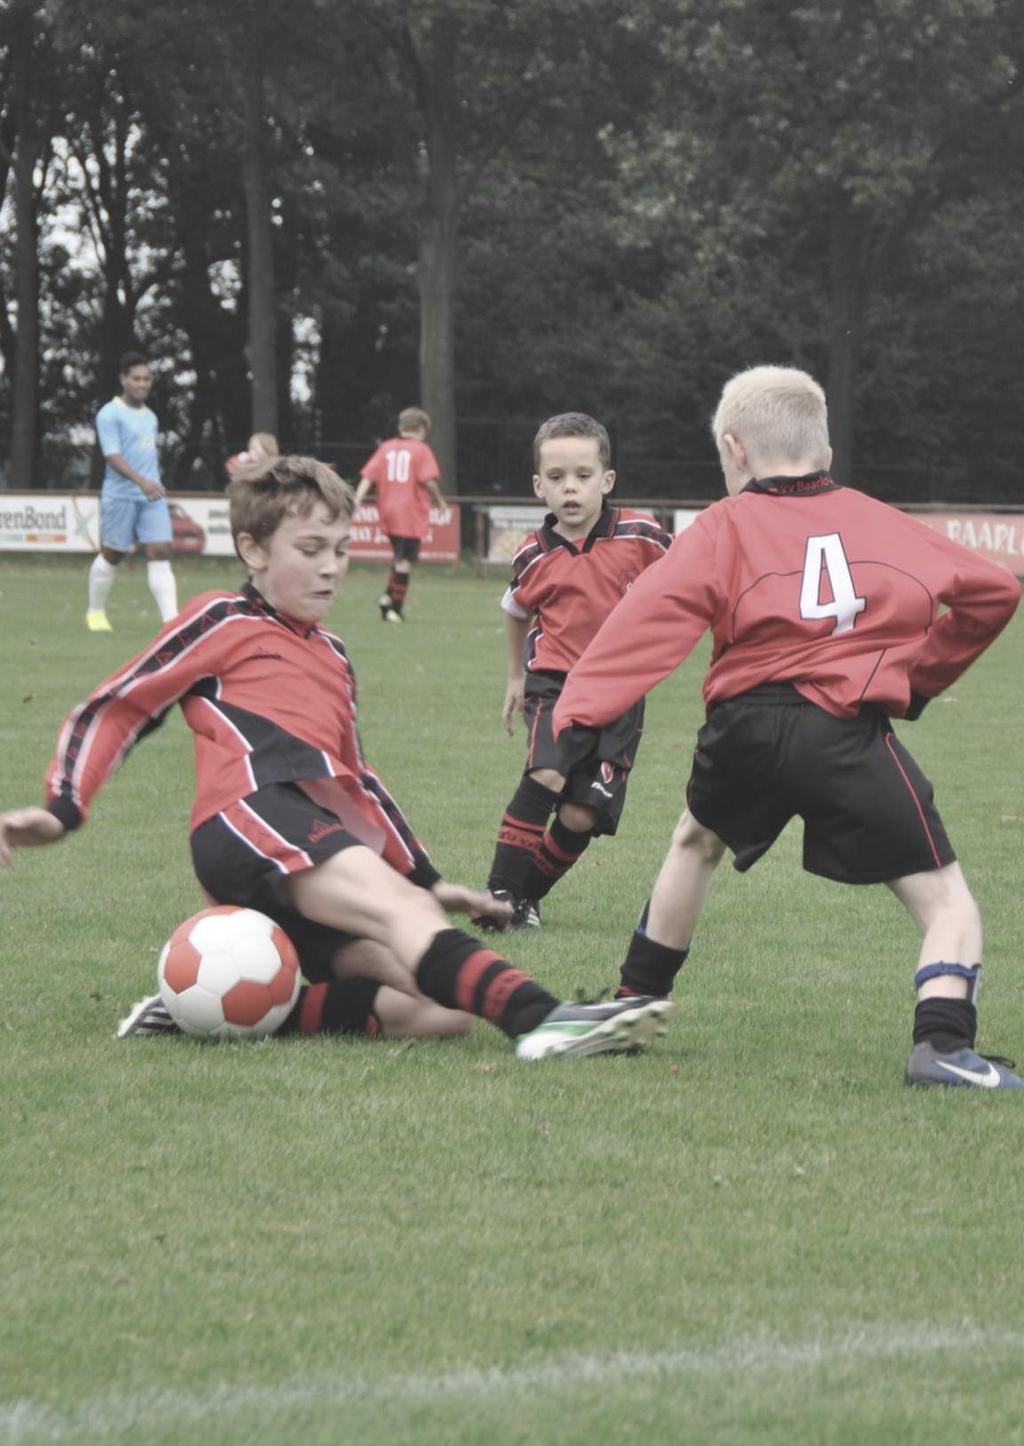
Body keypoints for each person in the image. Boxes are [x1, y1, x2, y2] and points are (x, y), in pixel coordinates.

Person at [0, 453, 672, 1060]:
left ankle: (214, 1016)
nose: (331, 566)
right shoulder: (223, 619)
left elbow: (360, 785)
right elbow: (120, 706)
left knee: (439, 1012)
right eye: (311, 548)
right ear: (252, 549)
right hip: (249, 816)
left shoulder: (332, 653)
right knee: (400, 914)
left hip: (310, 835)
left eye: (343, 549)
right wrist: (63, 808)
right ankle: (545, 1021)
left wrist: (427, 878)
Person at [553, 365, 1022, 1089]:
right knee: (946, 899)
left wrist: (577, 714)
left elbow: (646, 619)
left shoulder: (722, 525)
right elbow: (994, 592)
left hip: (743, 723)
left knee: (694, 839)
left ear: (735, 452)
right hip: (843, 730)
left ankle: (632, 1005)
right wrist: (920, 677)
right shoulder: (879, 521)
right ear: (826, 452)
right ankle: (943, 1046)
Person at [473, 412, 672, 931]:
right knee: (547, 772)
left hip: (622, 693)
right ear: (538, 486)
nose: (570, 489)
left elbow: (687, 582)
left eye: (583, 476)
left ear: (606, 481)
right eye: (557, 478)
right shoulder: (533, 556)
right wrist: (516, 679)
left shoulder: (642, 534)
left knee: (582, 814)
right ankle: (499, 893)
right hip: (556, 683)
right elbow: (516, 611)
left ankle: (526, 899)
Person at [86, 351, 178, 632]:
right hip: (122, 494)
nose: (142, 384)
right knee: (113, 554)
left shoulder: (150, 416)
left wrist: (152, 483)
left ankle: (171, 621)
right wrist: (141, 481)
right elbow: (112, 456)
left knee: (160, 549)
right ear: (123, 379)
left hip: (151, 495)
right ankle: (95, 612)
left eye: (147, 379)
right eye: (136, 378)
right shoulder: (109, 414)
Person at [353, 407, 445, 622]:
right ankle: (396, 608)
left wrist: (358, 498)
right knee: (404, 561)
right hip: (409, 512)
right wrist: (439, 500)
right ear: (421, 428)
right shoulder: (421, 450)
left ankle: (386, 599)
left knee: (398, 557)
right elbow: (428, 480)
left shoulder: (385, 448)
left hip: (387, 510)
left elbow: (368, 475)